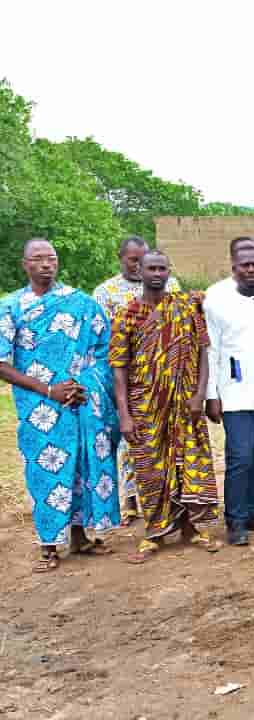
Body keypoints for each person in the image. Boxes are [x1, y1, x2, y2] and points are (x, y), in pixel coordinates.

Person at [0, 239, 120, 572]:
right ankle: (50, 545)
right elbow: (1, 362)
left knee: (82, 466)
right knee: (45, 471)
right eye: (37, 259)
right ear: (25, 264)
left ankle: (81, 537)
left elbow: (103, 351)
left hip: (81, 402)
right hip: (40, 408)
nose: (45, 264)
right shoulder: (11, 307)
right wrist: (49, 389)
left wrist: (85, 386)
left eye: (51, 258)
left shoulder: (81, 303)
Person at [110, 250, 220, 564]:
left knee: (188, 462)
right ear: (140, 271)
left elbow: (202, 351)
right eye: (151, 268)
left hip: (185, 403)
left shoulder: (186, 307)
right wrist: (124, 414)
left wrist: (200, 393)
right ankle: (154, 533)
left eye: (162, 268)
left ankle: (191, 529)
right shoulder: (127, 314)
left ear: (169, 271)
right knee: (150, 469)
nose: (157, 273)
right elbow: (119, 368)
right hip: (145, 406)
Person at [93, 235, 181, 527]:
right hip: (125, 376)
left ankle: (170, 505)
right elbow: (105, 338)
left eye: (144, 260)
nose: (140, 265)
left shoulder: (173, 288)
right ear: (122, 259)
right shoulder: (105, 291)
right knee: (129, 442)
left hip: (166, 379)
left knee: (167, 446)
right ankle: (132, 501)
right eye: (134, 260)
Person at [204, 244, 254, 546]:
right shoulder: (217, 298)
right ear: (233, 267)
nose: (251, 270)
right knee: (240, 457)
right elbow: (211, 351)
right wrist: (212, 394)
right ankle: (235, 520)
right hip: (234, 393)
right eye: (245, 265)